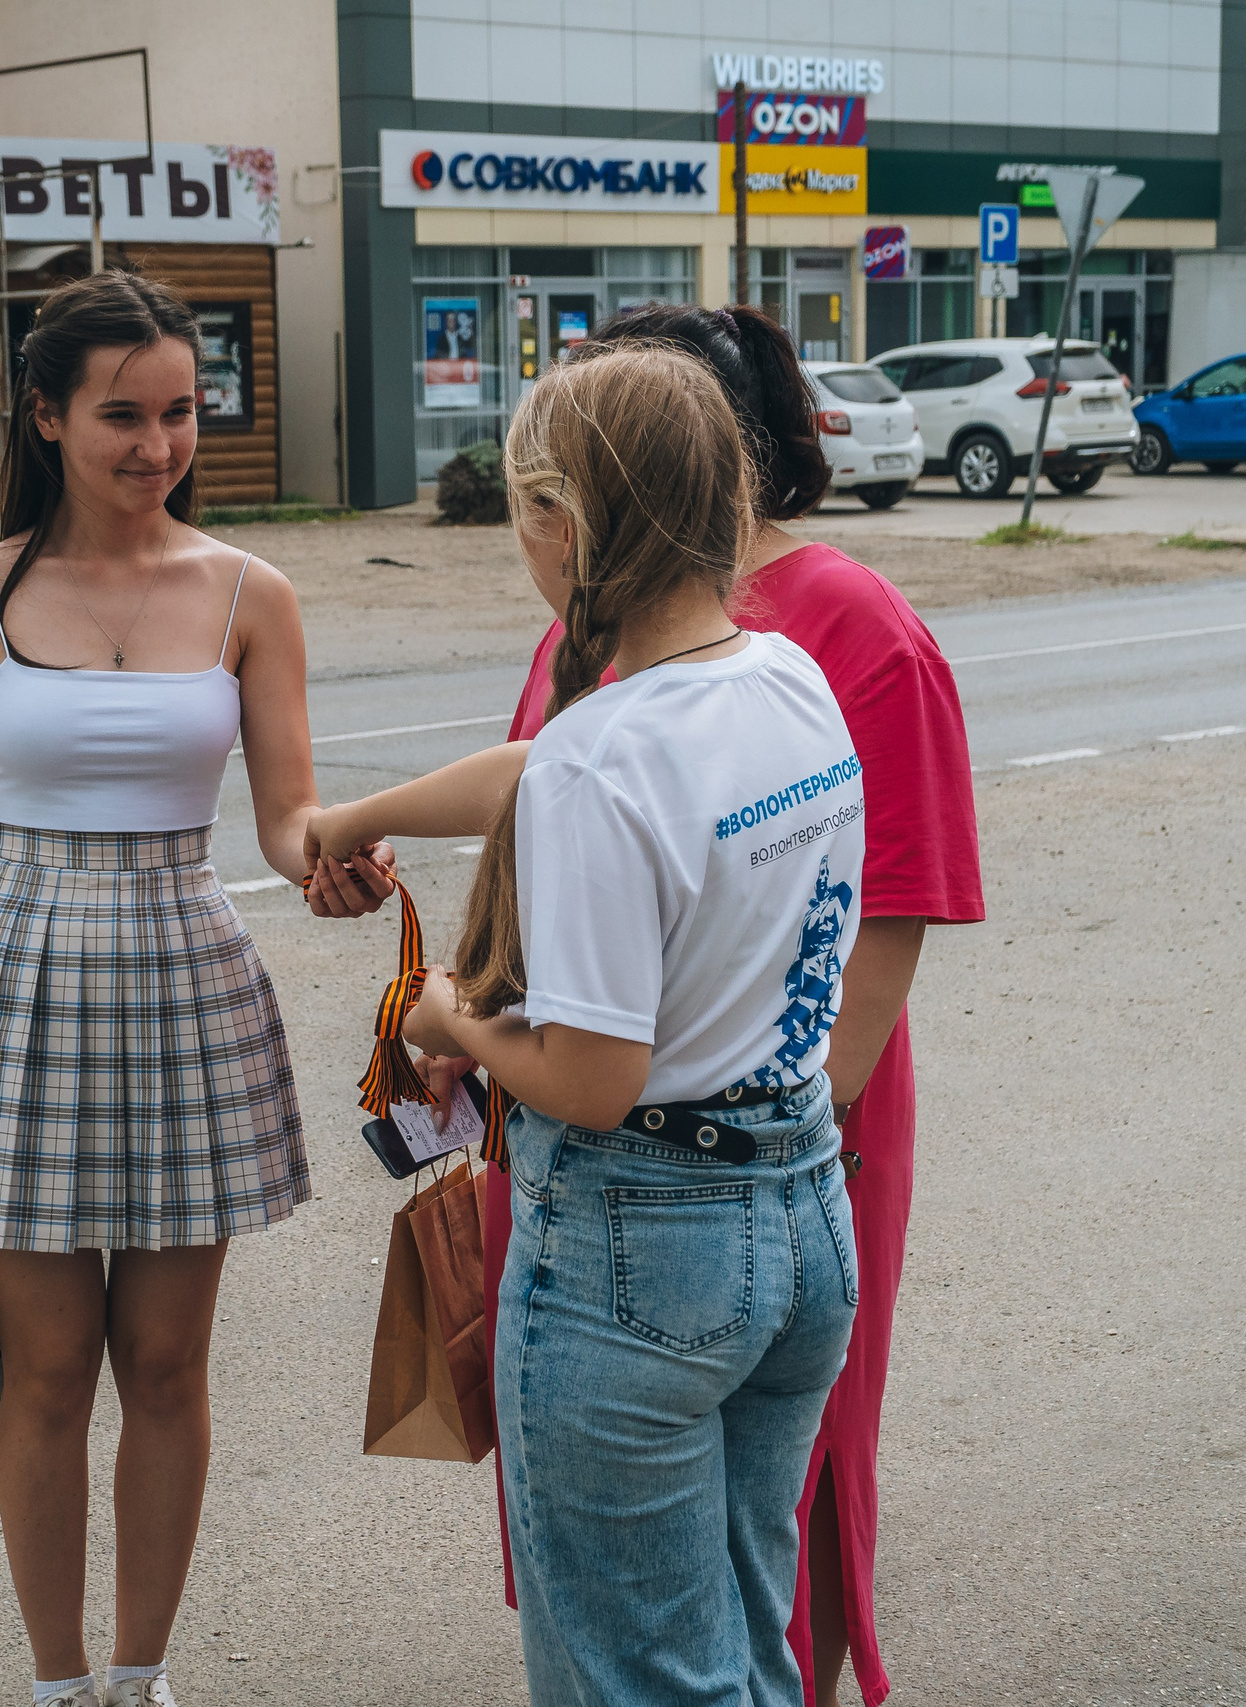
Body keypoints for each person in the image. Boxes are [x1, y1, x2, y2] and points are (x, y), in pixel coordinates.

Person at [309, 343, 866, 1705]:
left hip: (641, 1251)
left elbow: (592, 1080)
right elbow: (552, 770)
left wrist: (447, 1013)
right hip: (800, 1219)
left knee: (641, 1685)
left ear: (561, 523)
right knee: (747, 1649)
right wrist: (367, 815)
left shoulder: (602, 763)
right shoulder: (785, 679)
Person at [0, 271, 390, 1707]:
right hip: (12, 984)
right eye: (121, 415)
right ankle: (54, 1683)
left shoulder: (248, 592)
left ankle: (141, 1676)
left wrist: (328, 862)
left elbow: (286, 817)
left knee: (164, 1366)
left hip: (184, 974)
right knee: (43, 1372)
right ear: (46, 415)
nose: (157, 445)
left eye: (180, 414)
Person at [490, 302, 986, 1707]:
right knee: (682, 1565)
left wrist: (745, 1128)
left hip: (710, 1137)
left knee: (731, 1557)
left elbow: (887, 920)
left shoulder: (849, 626)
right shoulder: (672, 637)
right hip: (629, 1115)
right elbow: (545, 789)